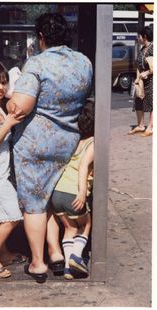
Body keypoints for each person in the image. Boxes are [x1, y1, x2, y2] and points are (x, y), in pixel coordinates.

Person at [6, 13, 93, 283]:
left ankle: (38, 262)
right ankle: (56, 252)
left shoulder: (38, 63)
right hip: (69, 141)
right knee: (53, 199)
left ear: (41, 37)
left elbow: (20, 107)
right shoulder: (83, 61)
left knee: (34, 204)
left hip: (35, 145)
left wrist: (11, 95)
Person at [0, 61, 26, 278]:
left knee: (3, 216)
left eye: (3, 82)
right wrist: (8, 124)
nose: (0, 88)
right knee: (13, 215)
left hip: (1, 173)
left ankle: (3, 254)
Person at [51, 99, 94, 279]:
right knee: (86, 224)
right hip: (72, 192)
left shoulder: (76, 141)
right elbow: (83, 166)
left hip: (57, 193)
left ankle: (69, 269)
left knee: (69, 229)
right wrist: (82, 192)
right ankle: (77, 256)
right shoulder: (94, 143)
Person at [128, 26, 153, 137]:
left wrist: (147, 73)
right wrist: (137, 79)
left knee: (152, 104)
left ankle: (150, 127)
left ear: (145, 37)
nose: (137, 38)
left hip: (152, 81)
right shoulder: (142, 49)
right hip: (142, 81)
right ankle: (140, 125)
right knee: (138, 100)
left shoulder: (153, 49)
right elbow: (138, 65)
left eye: (139, 36)